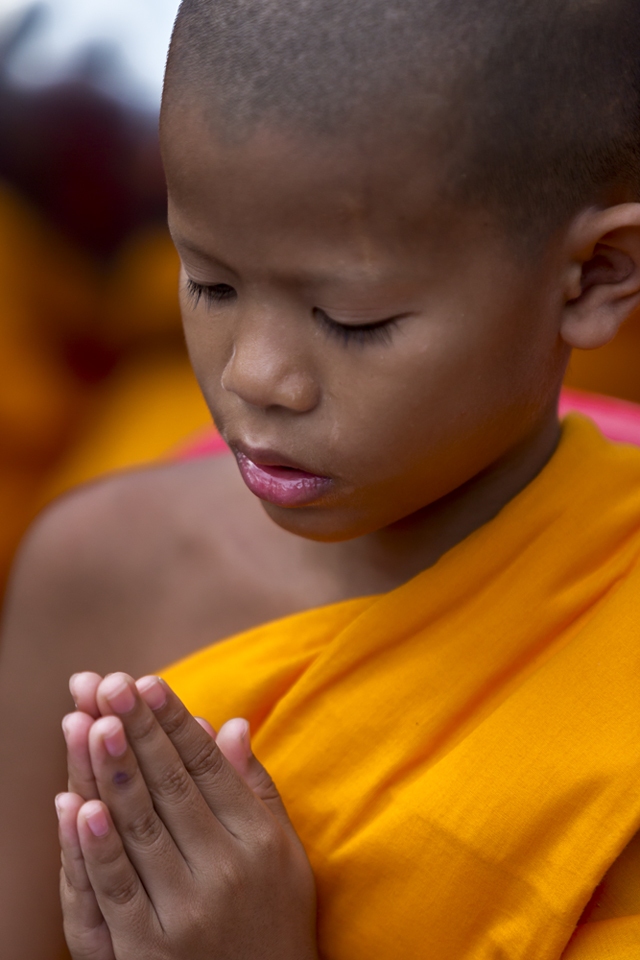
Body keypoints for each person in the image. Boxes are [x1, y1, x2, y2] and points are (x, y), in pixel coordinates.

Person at [3, 0, 640, 956]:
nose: (253, 376)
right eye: (208, 282)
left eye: (352, 320)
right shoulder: (96, 572)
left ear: (593, 277)